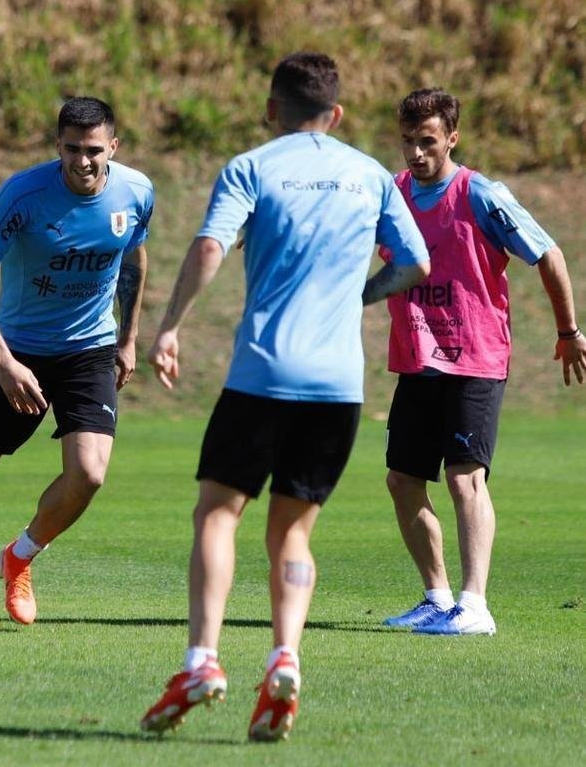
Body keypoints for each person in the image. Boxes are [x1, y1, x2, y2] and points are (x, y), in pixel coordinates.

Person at [139, 53, 430, 742]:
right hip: (336, 386)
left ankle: (202, 661)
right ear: (335, 114)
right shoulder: (368, 175)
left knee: (217, 511)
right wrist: (359, 295)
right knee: (292, 530)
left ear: (272, 109)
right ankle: (283, 657)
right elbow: (414, 263)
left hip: (262, 376)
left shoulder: (251, 166)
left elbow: (211, 247)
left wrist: (170, 325)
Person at [0, 96, 153, 625]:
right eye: (71, 149)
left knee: (88, 474)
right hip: (19, 351)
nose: (82, 161)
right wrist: (2, 361)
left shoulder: (136, 191)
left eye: (93, 150)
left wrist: (129, 338)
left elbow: (134, 258)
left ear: (113, 146)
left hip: (90, 348)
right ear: (57, 146)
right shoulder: (23, 196)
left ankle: (19, 556)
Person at [379, 88, 585, 636]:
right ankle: (436, 596)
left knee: (464, 477)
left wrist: (568, 331)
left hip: (474, 359)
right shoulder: (392, 193)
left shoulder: (480, 195)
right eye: (407, 142)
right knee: (403, 480)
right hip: (417, 360)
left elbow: (549, 254)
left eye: (427, 142)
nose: (415, 153)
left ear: (452, 137)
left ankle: (475, 605)